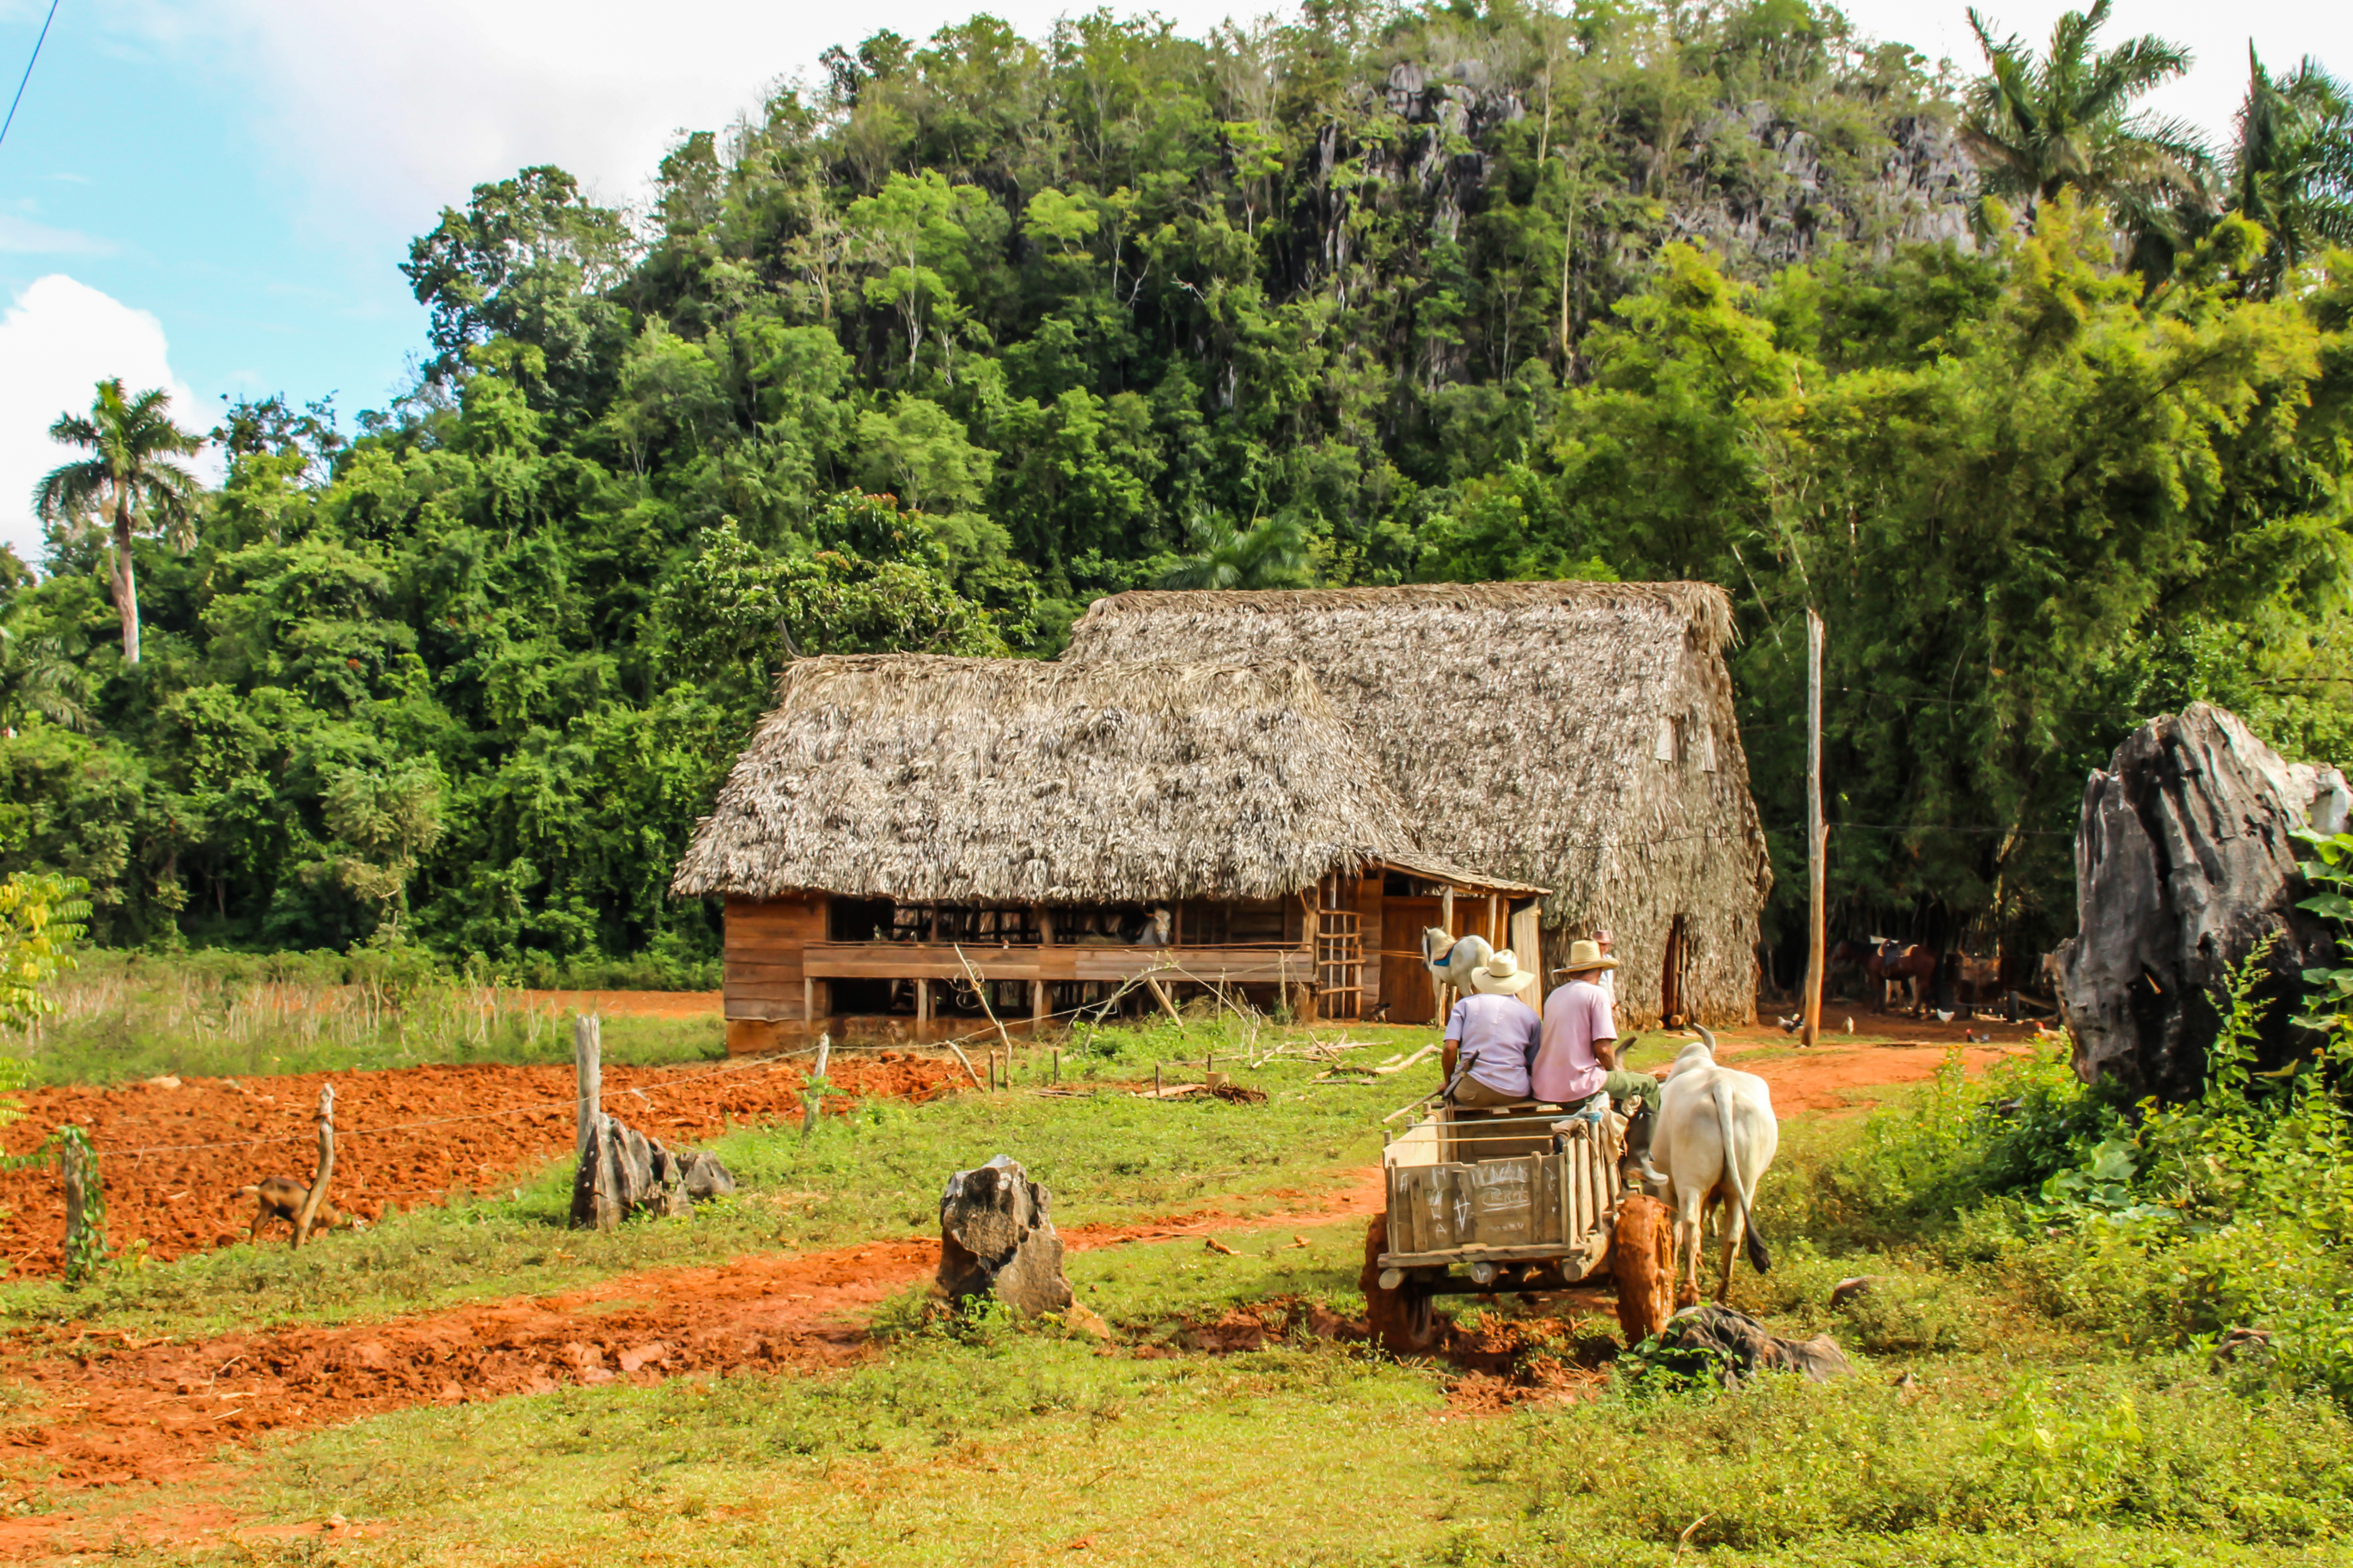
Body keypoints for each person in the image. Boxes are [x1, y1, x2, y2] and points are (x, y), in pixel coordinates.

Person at [1532, 937, 1659, 1113]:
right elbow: (1604, 1049)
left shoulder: (1554, 995)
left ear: (1572, 972)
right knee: (1649, 1086)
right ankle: (1645, 1142)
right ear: (1599, 970)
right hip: (1579, 1084)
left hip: (1545, 1085)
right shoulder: (1597, 994)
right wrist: (1612, 1070)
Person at [1439, 949, 1542, 1107]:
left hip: (1472, 1089)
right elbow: (1532, 1062)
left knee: (1468, 1098)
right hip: (1514, 1089)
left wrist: (1448, 1081)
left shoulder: (1465, 1005)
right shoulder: (1530, 1015)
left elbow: (1450, 1047)